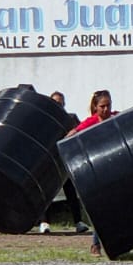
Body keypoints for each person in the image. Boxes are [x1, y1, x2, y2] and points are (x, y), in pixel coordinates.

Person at [65, 90, 117, 254]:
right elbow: (71, 136)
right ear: (95, 107)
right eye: (102, 106)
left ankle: (109, 242)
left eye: (108, 105)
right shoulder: (90, 123)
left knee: (112, 207)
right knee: (100, 208)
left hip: (115, 168)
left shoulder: (116, 118)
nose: (106, 109)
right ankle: (96, 244)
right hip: (96, 170)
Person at [47, 90, 90, 234]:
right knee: (46, 191)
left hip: (64, 161)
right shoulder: (44, 120)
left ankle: (78, 221)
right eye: (54, 103)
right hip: (48, 162)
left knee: (71, 192)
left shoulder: (69, 120)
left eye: (60, 103)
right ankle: (44, 222)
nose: (58, 106)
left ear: (64, 104)